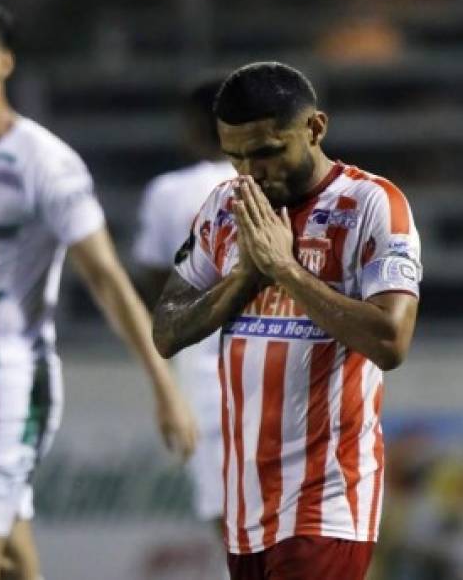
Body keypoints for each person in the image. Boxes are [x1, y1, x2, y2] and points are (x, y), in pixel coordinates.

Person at [0, 0, 197, 580]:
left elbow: (105, 278)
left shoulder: (44, 162)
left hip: (11, 381)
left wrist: (163, 386)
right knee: (10, 556)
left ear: (3, 64)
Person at [153, 62, 422, 580]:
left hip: (327, 500)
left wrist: (284, 270)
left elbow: (391, 340)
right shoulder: (225, 209)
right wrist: (243, 282)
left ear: (315, 128)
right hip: (247, 506)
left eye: (268, 151)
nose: (251, 171)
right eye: (236, 157)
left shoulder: (371, 204)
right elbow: (166, 330)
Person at [132, 78, 234, 533]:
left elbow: (155, 285)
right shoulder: (277, 186)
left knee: (230, 526)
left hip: (204, 375)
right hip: (280, 364)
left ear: (192, 127)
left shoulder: (169, 193)